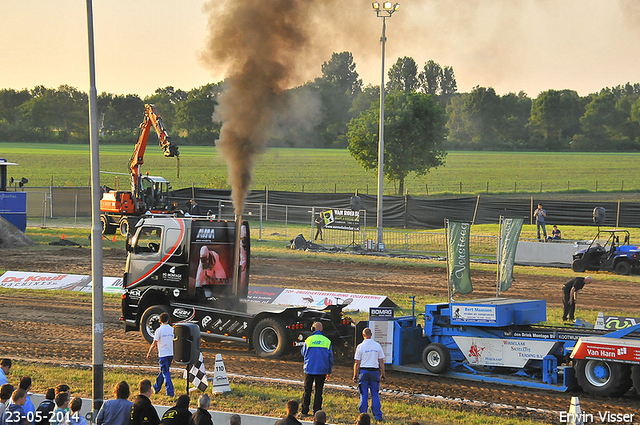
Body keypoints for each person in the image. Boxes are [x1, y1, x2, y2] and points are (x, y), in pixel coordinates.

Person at [300, 322, 333, 417]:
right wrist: (329, 371)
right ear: (321, 329)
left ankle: (304, 411)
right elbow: (330, 358)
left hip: (309, 369)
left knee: (307, 390)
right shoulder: (327, 341)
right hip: (322, 369)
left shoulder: (308, 340)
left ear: (313, 329)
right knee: (319, 391)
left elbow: (303, 353)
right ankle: (317, 411)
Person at [353, 328, 385, 421]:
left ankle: (363, 415)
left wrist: (355, 375)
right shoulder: (377, 345)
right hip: (374, 371)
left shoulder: (360, 346)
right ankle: (378, 416)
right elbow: (381, 361)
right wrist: (383, 373)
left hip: (364, 371)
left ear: (363, 335)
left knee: (364, 394)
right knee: (375, 394)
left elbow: (357, 362)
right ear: (371, 334)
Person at [147, 313, 175, 397]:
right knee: (163, 371)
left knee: (165, 372)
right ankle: (156, 388)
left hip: (163, 354)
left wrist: (149, 352)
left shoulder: (159, 330)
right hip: (170, 354)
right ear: (168, 320)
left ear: (160, 320)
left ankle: (170, 392)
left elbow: (154, 343)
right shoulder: (172, 329)